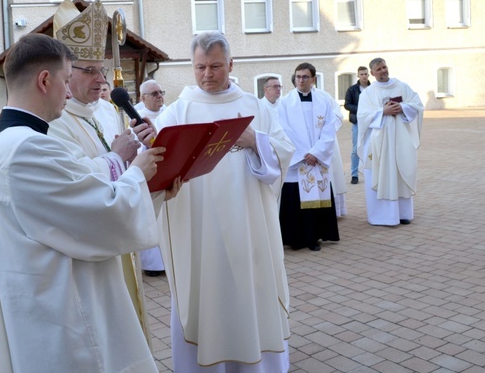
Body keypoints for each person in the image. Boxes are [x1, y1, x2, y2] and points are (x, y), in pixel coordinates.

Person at [0, 32, 179, 372]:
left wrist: (149, 188)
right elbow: (99, 214)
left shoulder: (12, 138)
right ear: (45, 81)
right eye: (65, 79)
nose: (68, 90)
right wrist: (138, 173)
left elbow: (75, 192)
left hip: (43, 290)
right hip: (62, 305)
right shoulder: (30, 147)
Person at [153, 31, 295, 372]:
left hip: (248, 225)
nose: (207, 74)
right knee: (206, 296)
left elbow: (284, 152)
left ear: (230, 64)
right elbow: (155, 159)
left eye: (215, 66)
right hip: (198, 228)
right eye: (200, 67)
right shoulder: (178, 110)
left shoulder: (254, 106)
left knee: (250, 288)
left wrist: (255, 141)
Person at [47, 0, 157, 344]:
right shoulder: (53, 122)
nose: (100, 79)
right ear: (65, 74)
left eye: (103, 70)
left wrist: (143, 153)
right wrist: (118, 157)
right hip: (90, 249)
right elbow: (69, 187)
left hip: (119, 236)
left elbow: (125, 168)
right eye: (89, 70)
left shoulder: (108, 111)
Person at [278, 63, 340, 251]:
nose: (301, 80)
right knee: (294, 199)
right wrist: (304, 153)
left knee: (316, 196)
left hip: (316, 158)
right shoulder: (285, 102)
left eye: (305, 77)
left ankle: (314, 237)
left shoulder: (324, 100)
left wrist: (317, 152)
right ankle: (295, 239)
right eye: (298, 76)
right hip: (298, 159)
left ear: (313, 79)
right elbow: (282, 130)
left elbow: (332, 125)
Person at [357, 58, 423, 226]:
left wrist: (403, 108)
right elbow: (362, 116)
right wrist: (382, 112)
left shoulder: (401, 86)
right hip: (378, 143)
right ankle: (382, 216)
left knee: (400, 172)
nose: (383, 71)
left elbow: (417, 105)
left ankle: (403, 214)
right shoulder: (368, 93)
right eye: (379, 69)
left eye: (384, 67)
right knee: (381, 173)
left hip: (400, 139)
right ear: (372, 73)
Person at [137, 79, 166, 276]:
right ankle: (152, 266)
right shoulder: (137, 120)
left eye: (160, 92)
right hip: (148, 174)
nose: (159, 96)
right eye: (154, 93)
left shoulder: (170, 113)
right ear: (142, 98)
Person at [344, 66, 370, 184]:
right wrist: (361, 109)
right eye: (362, 74)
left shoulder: (373, 88)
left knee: (372, 147)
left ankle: (372, 172)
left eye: (366, 74)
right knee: (356, 148)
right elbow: (347, 105)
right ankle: (354, 174)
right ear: (358, 76)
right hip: (357, 122)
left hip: (371, 122)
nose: (364, 76)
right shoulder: (352, 89)